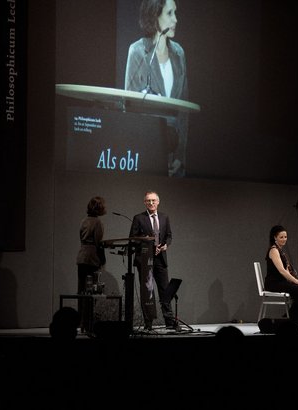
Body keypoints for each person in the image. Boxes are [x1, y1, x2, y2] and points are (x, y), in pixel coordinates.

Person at [125, 0, 189, 178]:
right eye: (170, 13)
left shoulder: (179, 54)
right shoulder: (137, 51)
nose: (175, 19)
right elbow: (129, 108)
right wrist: (142, 155)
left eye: (175, 13)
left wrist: (180, 157)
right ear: (155, 15)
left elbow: (184, 113)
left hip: (174, 156)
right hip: (146, 153)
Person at [129, 190, 178, 330]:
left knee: (165, 290)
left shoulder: (164, 217)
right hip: (145, 260)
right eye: (148, 201)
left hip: (160, 259)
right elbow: (133, 238)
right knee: (147, 291)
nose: (151, 203)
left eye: (153, 200)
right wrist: (149, 246)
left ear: (158, 202)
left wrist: (165, 246)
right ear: (145, 202)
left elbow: (169, 236)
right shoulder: (138, 218)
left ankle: (169, 321)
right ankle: (148, 323)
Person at [76, 196, 106, 332]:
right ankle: (88, 323)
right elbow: (98, 243)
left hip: (82, 256)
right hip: (92, 258)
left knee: (82, 290)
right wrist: (103, 259)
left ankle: (81, 322)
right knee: (91, 290)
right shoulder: (97, 222)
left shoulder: (83, 220)